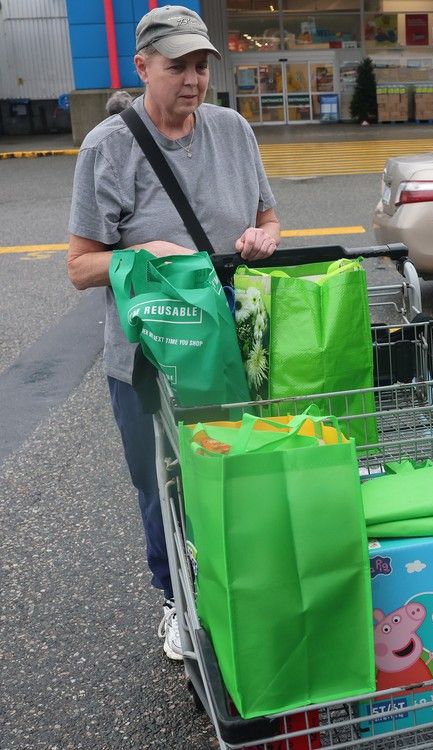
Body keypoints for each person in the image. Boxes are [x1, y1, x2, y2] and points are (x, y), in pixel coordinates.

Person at [67, 6, 279, 661]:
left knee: (237, 468)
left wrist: (264, 237)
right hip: (151, 353)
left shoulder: (233, 130)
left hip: (235, 335)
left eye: (201, 66)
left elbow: (269, 215)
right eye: (177, 66)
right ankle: (176, 602)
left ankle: (239, 587)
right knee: (163, 484)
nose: (193, 80)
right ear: (142, 67)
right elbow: (79, 266)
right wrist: (141, 256)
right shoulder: (108, 147)